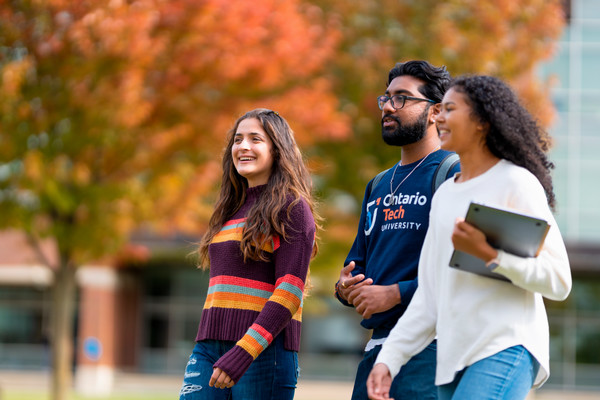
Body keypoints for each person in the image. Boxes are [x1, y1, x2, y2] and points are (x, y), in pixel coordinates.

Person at [367, 75, 572, 400]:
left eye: (450, 109)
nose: (439, 116)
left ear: (481, 122)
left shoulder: (516, 183)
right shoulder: (446, 195)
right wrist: (389, 358)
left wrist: (492, 255)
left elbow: (559, 282)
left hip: (507, 344)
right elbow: (428, 296)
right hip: (452, 357)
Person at [335, 60, 459, 400]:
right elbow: (357, 262)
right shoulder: (377, 184)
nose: (388, 107)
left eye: (402, 98)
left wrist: (397, 293)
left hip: (429, 349)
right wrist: (346, 286)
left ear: (435, 111)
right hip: (376, 350)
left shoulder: (454, 172)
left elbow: (466, 266)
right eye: (386, 98)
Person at [179, 108, 318, 400]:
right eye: (238, 139)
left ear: (277, 149)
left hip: (264, 352)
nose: (243, 146)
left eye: (255, 139)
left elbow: (291, 291)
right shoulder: (229, 211)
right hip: (209, 345)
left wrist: (243, 351)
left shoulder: (292, 208)